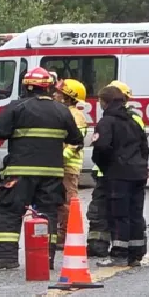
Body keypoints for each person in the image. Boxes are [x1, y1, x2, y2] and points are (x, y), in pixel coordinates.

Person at [0, 67, 84, 271]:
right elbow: (75, 139)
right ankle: (46, 259)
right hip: (51, 175)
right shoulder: (61, 110)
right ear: (49, 87)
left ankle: (5, 257)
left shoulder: (17, 107)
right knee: (47, 214)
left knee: (8, 212)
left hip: (20, 172)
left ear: (27, 86)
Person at [91, 81, 149, 267]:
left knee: (119, 215)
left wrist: (106, 166)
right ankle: (136, 254)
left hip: (118, 174)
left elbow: (101, 148)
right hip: (138, 173)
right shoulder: (133, 120)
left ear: (104, 102)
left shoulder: (106, 122)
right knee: (135, 213)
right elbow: (144, 147)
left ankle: (119, 254)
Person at [53, 78, 88, 250]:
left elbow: (76, 143)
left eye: (58, 93)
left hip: (68, 166)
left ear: (67, 97)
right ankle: (61, 233)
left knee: (68, 201)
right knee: (60, 201)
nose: (54, 95)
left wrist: (60, 158)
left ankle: (68, 234)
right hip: (61, 165)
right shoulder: (65, 112)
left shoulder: (76, 116)